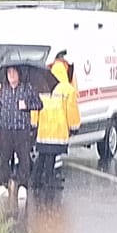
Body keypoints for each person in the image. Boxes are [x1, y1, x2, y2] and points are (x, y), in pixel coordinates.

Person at [0, 65, 42, 203]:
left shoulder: (27, 88)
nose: (11, 75)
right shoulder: (3, 90)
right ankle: (3, 185)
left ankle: (23, 186)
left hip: (22, 129)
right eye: (9, 73)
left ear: (19, 74)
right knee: (4, 158)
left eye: (14, 73)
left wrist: (27, 105)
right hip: (6, 129)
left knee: (23, 158)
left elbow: (39, 104)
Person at [32, 52, 81, 188]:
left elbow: (36, 107)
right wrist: (74, 127)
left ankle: (35, 181)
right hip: (59, 132)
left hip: (43, 131)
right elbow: (71, 111)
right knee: (51, 157)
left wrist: (34, 124)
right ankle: (48, 180)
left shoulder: (43, 86)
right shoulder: (68, 90)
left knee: (42, 156)